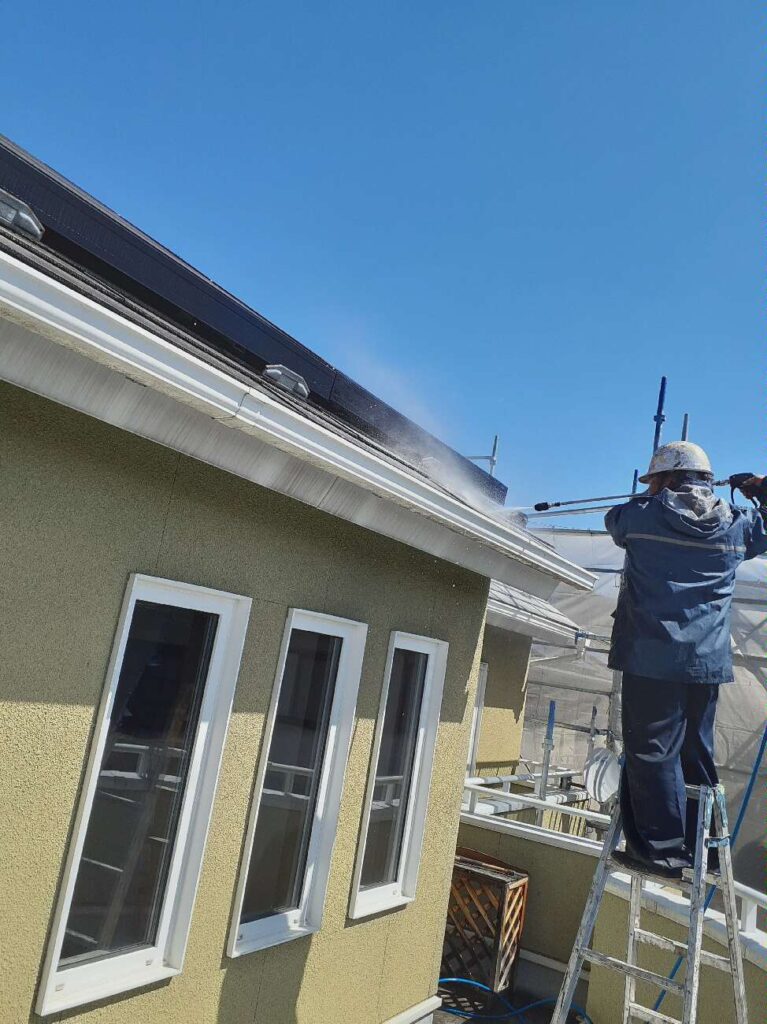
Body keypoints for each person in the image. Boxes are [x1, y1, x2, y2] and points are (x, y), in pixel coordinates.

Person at [604, 441, 767, 878]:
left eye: (654, 478)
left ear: (667, 477)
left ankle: (661, 853)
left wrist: (651, 495)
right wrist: (759, 491)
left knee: (652, 753)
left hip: (651, 657)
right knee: (695, 755)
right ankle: (705, 852)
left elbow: (613, 521)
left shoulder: (641, 516)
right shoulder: (737, 525)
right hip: (705, 663)